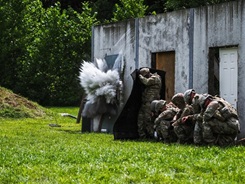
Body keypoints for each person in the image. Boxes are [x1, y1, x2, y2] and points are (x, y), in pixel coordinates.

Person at [137, 68, 162, 139]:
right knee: (140, 119)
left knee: (148, 120)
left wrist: (140, 76)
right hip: (145, 103)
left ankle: (153, 137)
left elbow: (146, 82)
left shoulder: (155, 78)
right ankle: (142, 136)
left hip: (150, 103)